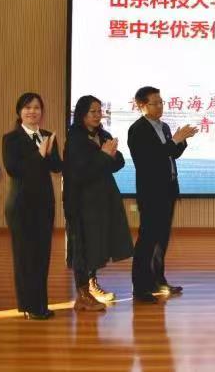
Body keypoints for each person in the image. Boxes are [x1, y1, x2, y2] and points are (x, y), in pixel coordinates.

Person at [63, 95, 134, 311]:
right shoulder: (75, 139)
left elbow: (118, 162)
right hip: (81, 201)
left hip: (103, 198)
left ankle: (92, 285)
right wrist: (104, 156)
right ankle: (82, 293)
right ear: (82, 114)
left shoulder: (103, 135)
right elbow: (81, 172)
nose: (97, 115)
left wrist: (110, 155)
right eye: (92, 112)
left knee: (97, 243)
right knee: (83, 245)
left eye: (99, 111)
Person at [128, 86, 198, 302]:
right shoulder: (138, 130)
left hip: (168, 190)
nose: (159, 106)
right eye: (154, 103)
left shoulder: (164, 126)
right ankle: (141, 288)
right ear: (141, 105)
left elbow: (171, 153)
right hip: (151, 192)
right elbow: (149, 159)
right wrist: (174, 140)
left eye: (161, 102)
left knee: (161, 240)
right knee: (148, 240)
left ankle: (158, 280)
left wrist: (181, 140)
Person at [1, 92, 62, 320]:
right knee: (25, 257)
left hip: (44, 204)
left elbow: (56, 167)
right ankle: (29, 306)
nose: (32, 111)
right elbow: (13, 169)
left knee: (42, 256)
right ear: (19, 112)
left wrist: (50, 153)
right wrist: (39, 154)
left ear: (42, 112)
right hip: (21, 206)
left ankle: (40, 304)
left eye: (36, 107)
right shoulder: (11, 139)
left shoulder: (47, 136)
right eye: (27, 107)